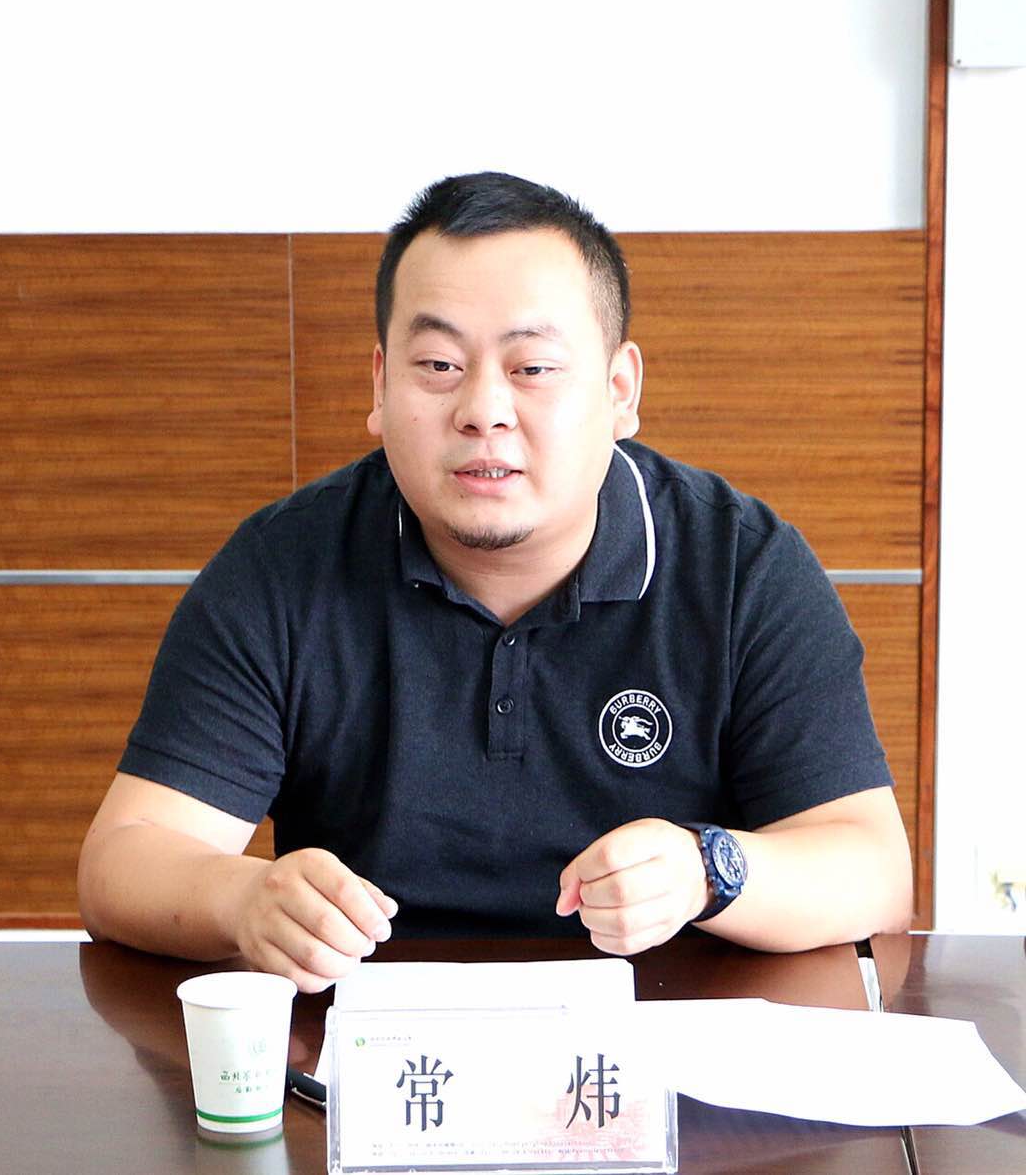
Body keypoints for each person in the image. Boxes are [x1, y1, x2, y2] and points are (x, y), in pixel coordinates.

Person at [78, 172, 912, 992]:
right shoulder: (283, 567)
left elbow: (871, 870)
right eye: (439, 364)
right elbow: (123, 859)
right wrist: (244, 898)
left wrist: (708, 870)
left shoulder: (740, 567)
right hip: (366, 1046)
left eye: (533, 367)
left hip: (662, 1044)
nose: (483, 409)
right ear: (380, 386)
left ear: (619, 391)